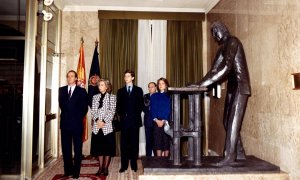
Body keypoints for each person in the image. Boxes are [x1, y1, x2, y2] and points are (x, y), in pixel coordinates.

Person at [188, 21, 251, 166]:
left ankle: (229, 156)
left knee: (233, 122)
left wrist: (201, 85)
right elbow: (214, 71)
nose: (215, 37)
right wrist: (198, 84)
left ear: (221, 30)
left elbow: (226, 67)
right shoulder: (222, 48)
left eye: (215, 33)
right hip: (232, 88)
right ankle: (239, 153)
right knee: (226, 121)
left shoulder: (232, 41)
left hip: (241, 87)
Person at [59, 70, 88, 179]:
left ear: (76, 78)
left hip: (76, 124)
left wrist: (76, 117)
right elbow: (62, 106)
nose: (70, 78)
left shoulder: (82, 91)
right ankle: (68, 170)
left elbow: (84, 108)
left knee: (77, 149)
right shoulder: (61, 90)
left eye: (72, 76)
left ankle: (76, 172)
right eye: (68, 76)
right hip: (65, 124)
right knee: (66, 148)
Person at [117, 70, 144, 173]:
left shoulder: (138, 90)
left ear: (132, 78)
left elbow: (141, 105)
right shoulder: (120, 91)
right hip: (124, 121)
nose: (126, 78)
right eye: (125, 76)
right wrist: (123, 114)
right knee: (124, 144)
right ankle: (123, 165)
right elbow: (118, 107)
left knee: (134, 143)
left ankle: (133, 165)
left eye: (128, 76)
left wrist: (133, 114)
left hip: (134, 121)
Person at [90, 79, 116, 176]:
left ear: (106, 86)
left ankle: (105, 168)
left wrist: (103, 122)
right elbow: (93, 111)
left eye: (101, 85)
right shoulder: (95, 97)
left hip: (107, 126)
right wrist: (97, 121)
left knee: (107, 148)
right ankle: (100, 167)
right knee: (99, 148)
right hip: (97, 126)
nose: (99, 86)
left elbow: (112, 111)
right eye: (99, 85)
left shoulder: (112, 97)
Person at [150, 78, 171, 157]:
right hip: (156, 122)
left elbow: (169, 109)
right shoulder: (154, 96)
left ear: (166, 85)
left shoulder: (169, 95)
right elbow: (152, 109)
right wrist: (156, 120)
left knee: (166, 142)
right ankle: (159, 161)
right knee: (157, 142)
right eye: (159, 84)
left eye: (162, 83)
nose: (161, 85)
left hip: (166, 122)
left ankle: (166, 162)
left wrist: (164, 120)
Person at [143, 82, 157, 157]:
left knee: (156, 141)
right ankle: (148, 158)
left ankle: (156, 158)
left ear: (155, 87)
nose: (150, 88)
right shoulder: (145, 96)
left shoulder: (158, 96)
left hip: (157, 122)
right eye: (149, 87)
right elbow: (143, 108)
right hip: (148, 121)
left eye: (152, 87)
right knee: (148, 141)